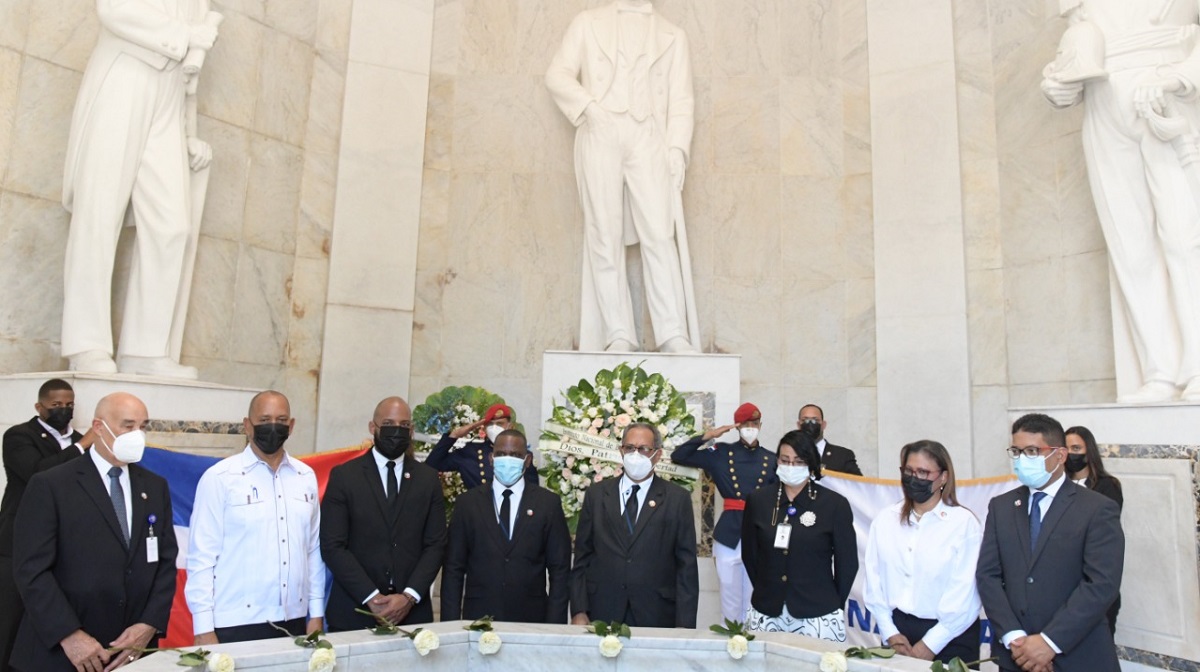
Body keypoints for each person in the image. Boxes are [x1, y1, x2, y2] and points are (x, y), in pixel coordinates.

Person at [1040, 1, 1200, 403]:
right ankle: (1160, 370)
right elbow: (1077, 45)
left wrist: (1182, 77)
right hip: (1103, 99)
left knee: (1185, 238)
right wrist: (1060, 83)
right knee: (1130, 248)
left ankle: (1197, 365)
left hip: (1166, 87)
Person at [60, 0, 221, 378]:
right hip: (124, 76)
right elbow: (114, 10)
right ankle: (86, 343)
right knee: (98, 214)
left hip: (169, 96)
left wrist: (189, 134)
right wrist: (186, 35)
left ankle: (146, 349)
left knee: (172, 225)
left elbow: (187, 76)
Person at [545, 0, 699, 354]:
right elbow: (557, 74)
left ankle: (672, 332)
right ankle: (618, 333)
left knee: (660, 233)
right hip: (600, 131)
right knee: (604, 234)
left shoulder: (674, 36)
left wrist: (677, 148)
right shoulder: (586, 22)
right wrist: (589, 108)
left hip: (650, 135)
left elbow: (682, 100)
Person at [11, 392, 177, 671]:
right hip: (59, 654)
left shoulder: (155, 486)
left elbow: (165, 562)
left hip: (131, 653)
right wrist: (69, 635)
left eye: (143, 426)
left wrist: (149, 624)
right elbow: (31, 569)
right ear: (98, 428)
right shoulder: (52, 484)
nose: (137, 435)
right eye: (128, 426)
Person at [976, 413, 1124, 672]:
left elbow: (1101, 584)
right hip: (1016, 656)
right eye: (1017, 451)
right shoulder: (1001, 507)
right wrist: (1014, 637)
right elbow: (987, 575)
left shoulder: (1097, 508)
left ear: (1060, 455)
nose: (1022, 459)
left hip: (1078, 656)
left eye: (1032, 451)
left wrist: (1049, 642)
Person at [185, 391, 325, 643]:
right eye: (264, 419)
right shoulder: (220, 477)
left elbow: (313, 550)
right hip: (235, 623)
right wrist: (203, 627)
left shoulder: (306, 477)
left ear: (291, 426)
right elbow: (201, 556)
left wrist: (316, 613)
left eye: (281, 420)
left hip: (294, 619)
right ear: (248, 425)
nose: (273, 426)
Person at [321, 397, 447, 630]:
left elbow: (436, 544)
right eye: (389, 424)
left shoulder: (427, 479)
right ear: (373, 427)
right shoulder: (344, 476)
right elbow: (333, 545)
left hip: (412, 614)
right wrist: (372, 598)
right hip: (354, 609)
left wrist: (408, 597)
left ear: (411, 430)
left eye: (404, 425)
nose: (396, 431)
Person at [0, 379, 94, 671]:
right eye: (56, 406)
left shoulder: (79, 439)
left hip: (64, 544)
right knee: (10, 619)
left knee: (52, 616)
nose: (63, 410)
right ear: (39, 407)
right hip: (17, 543)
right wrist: (82, 447)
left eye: (69, 405)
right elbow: (38, 472)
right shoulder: (19, 436)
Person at [864, 440, 982, 665]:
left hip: (950, 635)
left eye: (923, 472)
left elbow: (966, 592)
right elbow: (874, 580)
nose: (914, 478)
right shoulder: (885, 520)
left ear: (943, 477)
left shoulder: (963, 523)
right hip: (898, 633)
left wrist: (931, 644)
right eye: (908, 471)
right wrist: (890, 633)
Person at [570, 422, 699, 627]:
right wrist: (578, 610)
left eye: (644, 449)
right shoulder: (597, 494)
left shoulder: (677, 499)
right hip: (602, 611)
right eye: (630, 448)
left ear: (657, 455)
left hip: (656, 614)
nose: (635, 455)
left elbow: (687, 567)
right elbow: (582, 558)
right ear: (621, 451)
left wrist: (684, 625)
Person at [441, 429, 572, 623]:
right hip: (478, 618)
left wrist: (555, 628)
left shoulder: (547, 503)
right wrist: (450, 624)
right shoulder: (467, 503)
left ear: (527, 460)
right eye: (501, 454)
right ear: (491, 458)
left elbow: (559, 570)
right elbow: (453, 568)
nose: (507, 460)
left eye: (515, 455)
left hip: (532, 618)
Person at [741, 430, 857, 641]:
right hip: (767, 609)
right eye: (785, 460)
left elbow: (847, 564)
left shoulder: (834, 505)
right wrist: (767, 588)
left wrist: (832, 604)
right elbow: (750, 555)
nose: (791, 467)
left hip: (818, 613)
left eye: (798, 461)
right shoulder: (759, 501)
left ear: (811, 464)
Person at [670, 402, 777, 622]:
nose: (750, 427)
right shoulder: (720, 452)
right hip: (729, 533)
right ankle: (731, 639)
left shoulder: (771, 458)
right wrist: (708, 435)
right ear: (737, 426)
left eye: (754, 423)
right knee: (729, 595)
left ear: (760, 425)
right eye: (746, 423)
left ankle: (753, 638)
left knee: (755, 595)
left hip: (759, 530)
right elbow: (679, 456)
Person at [1064, 425, 1123, 634]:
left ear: (1089, 452)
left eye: (1077, 448)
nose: (1072, 454)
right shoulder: (1058, 486)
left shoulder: (1107, 486)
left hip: (1093, 580)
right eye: (1067, 448)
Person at [425, 404, 538, 490]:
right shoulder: (470, 452)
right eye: (490, 424)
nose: (494, 428)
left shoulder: (522, 455)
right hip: (479, 513)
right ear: (483, 427)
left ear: (510, 426)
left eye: (499, 424)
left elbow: (533, 493)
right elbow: (432, 465)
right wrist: (453, 435)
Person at [797, 404, 862, 475]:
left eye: (815, 420)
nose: (810, 424)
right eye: (805, 420)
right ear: (798, 425)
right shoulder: (789, 453)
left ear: (823, 424)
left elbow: (858, 484)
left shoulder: (843, 456)